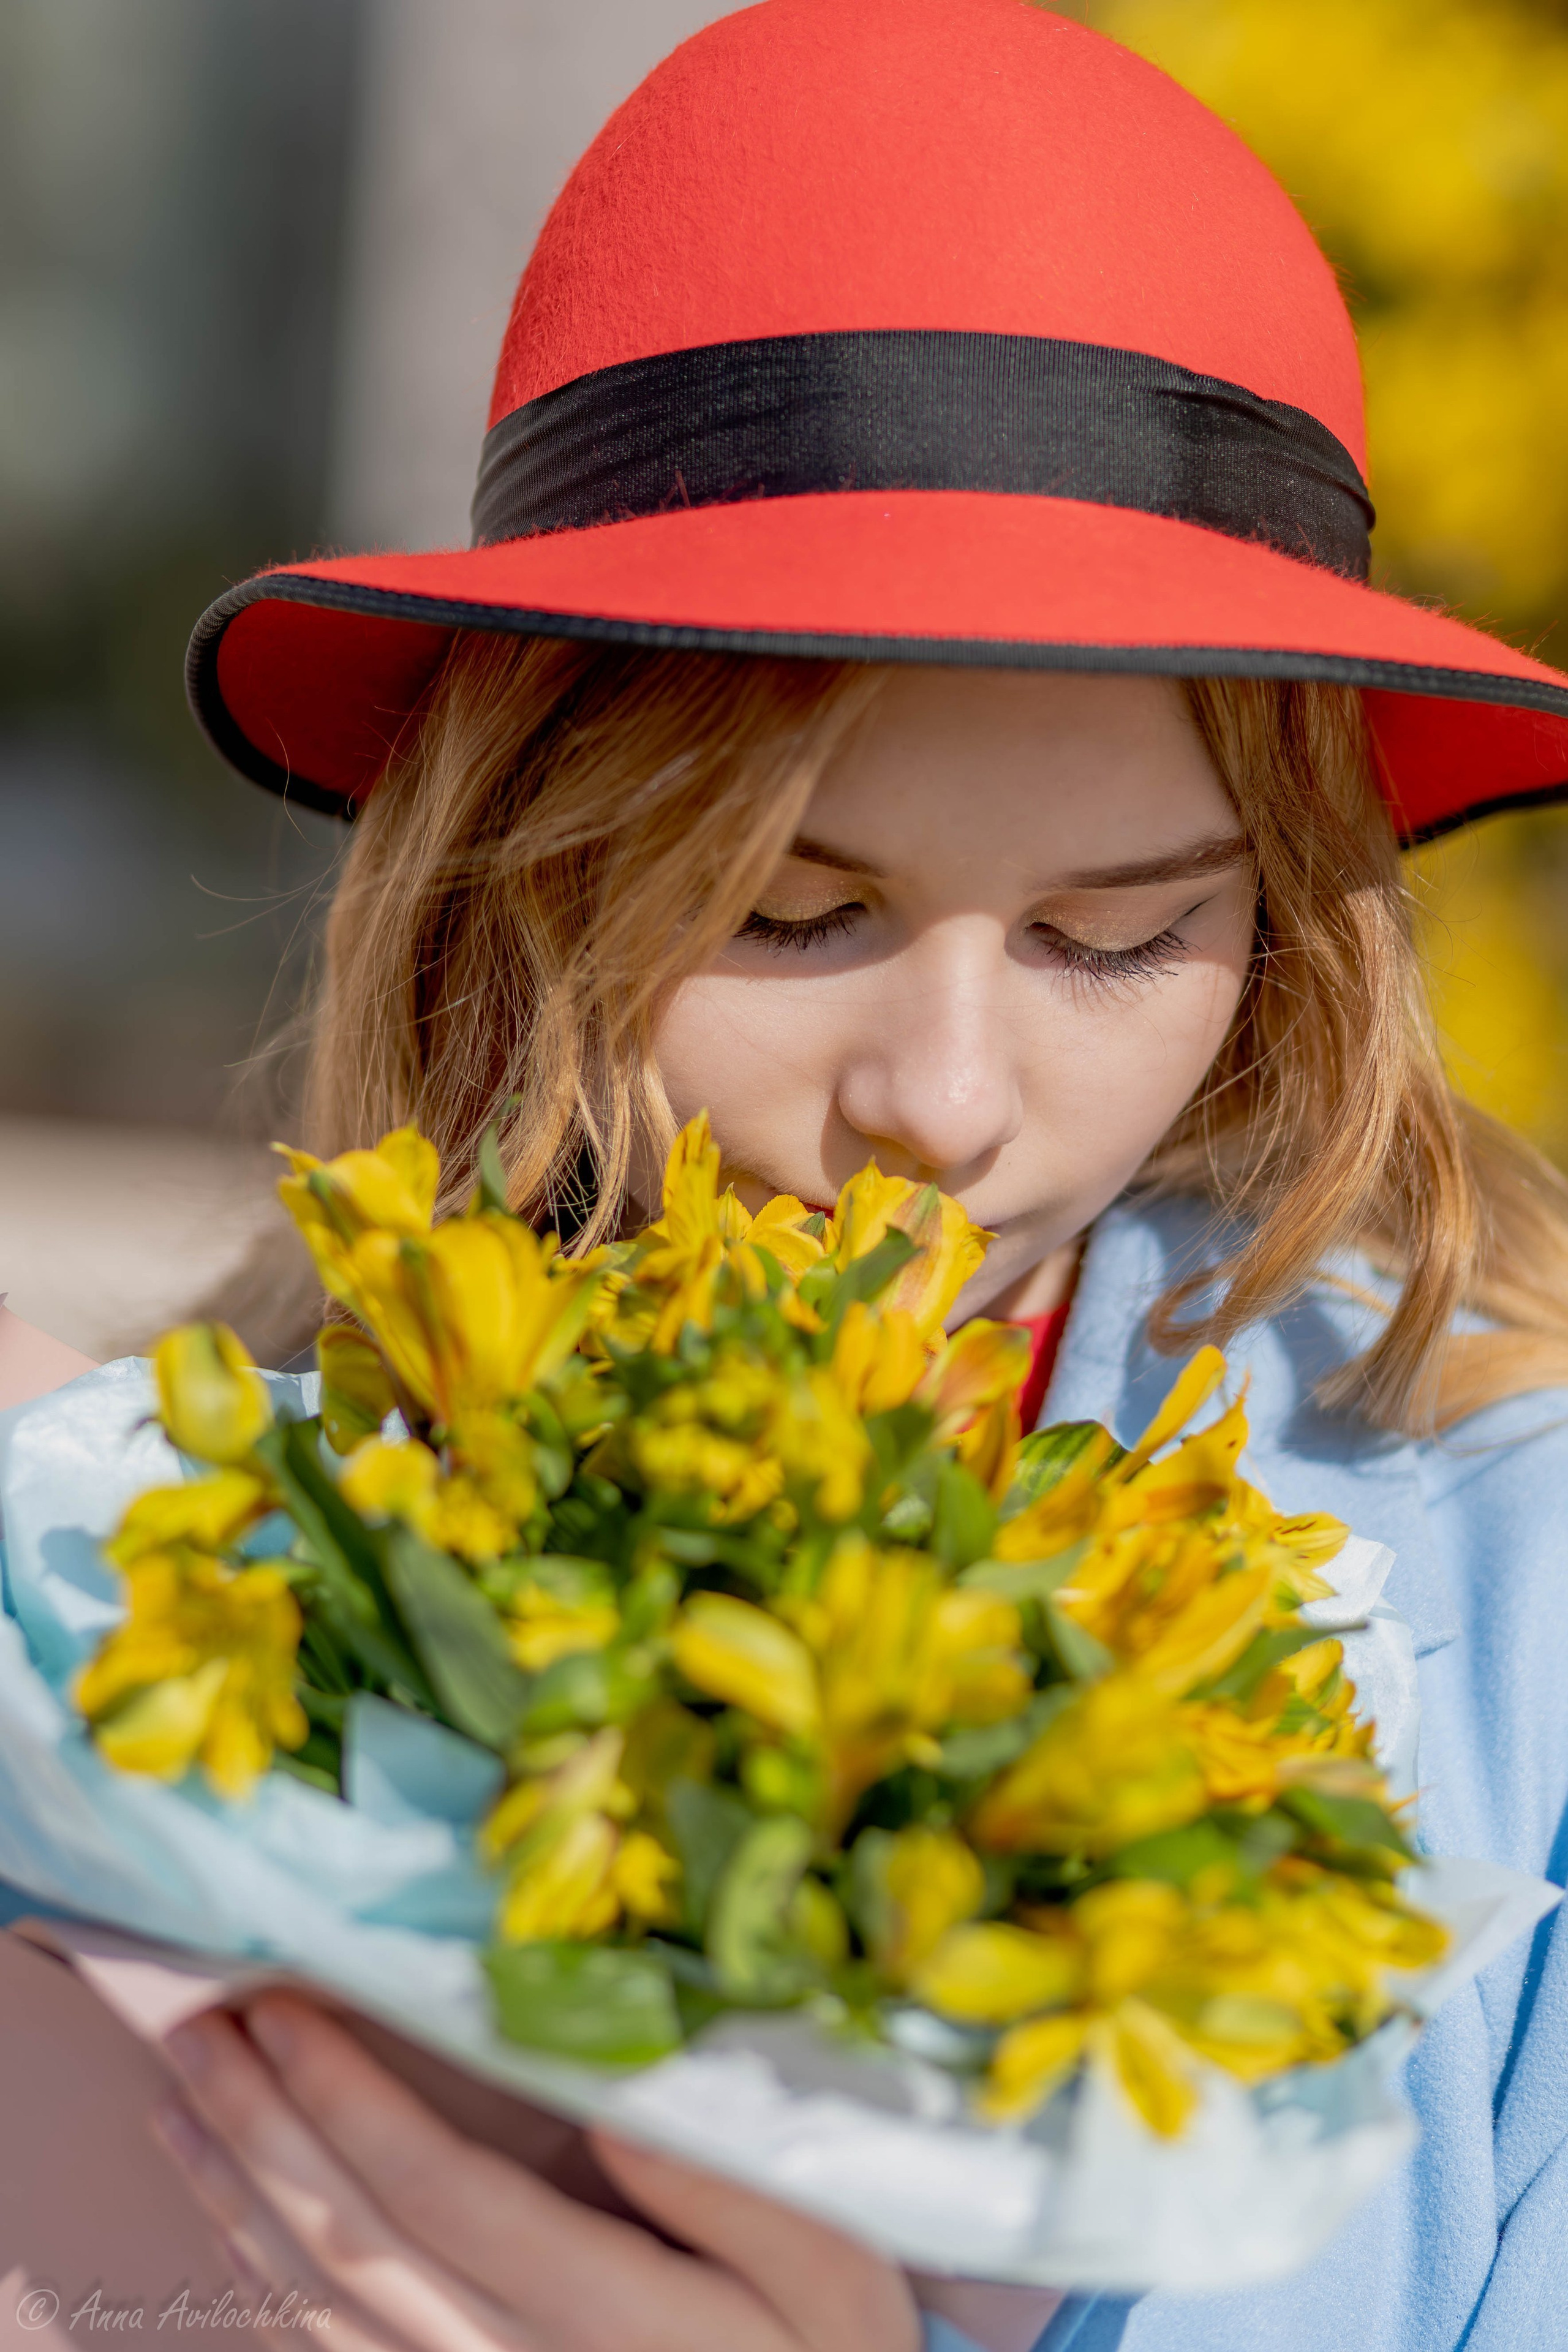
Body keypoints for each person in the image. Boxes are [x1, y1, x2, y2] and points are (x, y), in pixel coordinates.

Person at [4, 2, 1567, 2347]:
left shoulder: (1518, 1634)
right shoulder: (158, 1571)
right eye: (790, 912)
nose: (942, 1104)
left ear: (1291, 936)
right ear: (516, 869)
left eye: (1120, 933)